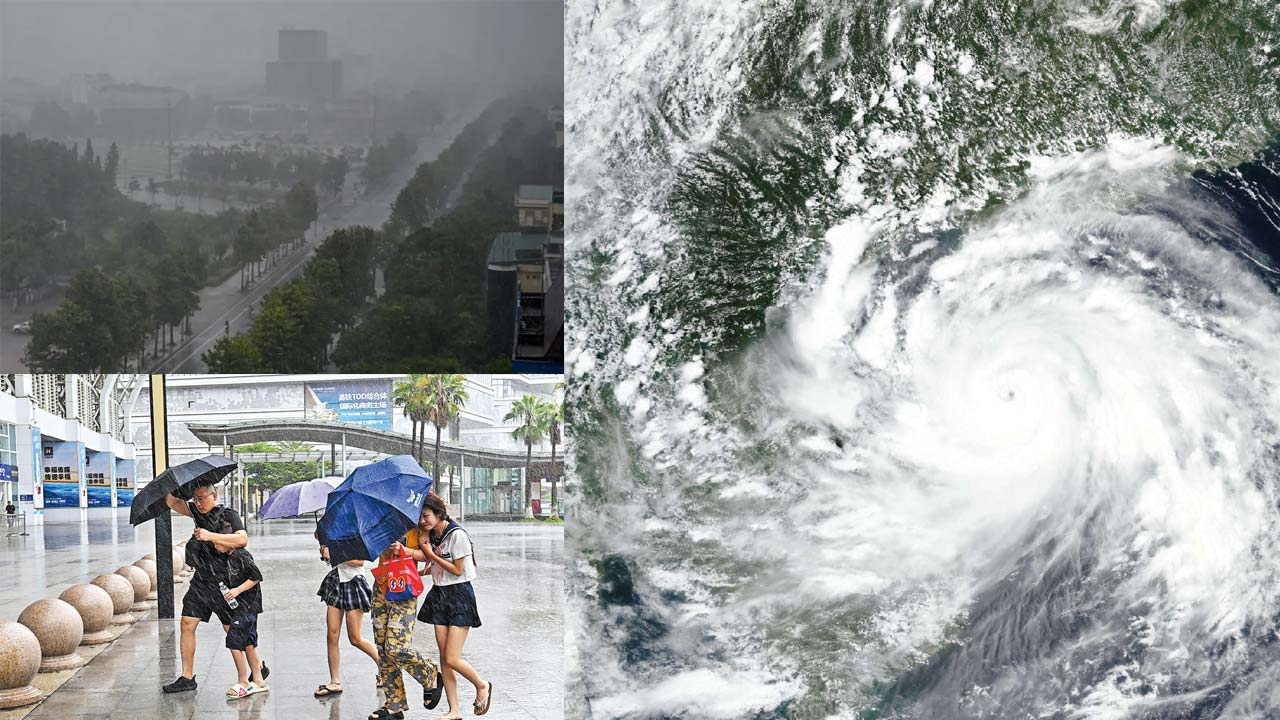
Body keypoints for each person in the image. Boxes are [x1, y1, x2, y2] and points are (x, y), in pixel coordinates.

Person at [161, 483, 269, 693]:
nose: (198, 503)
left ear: (214, 495)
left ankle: (257, 669)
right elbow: (172, 502)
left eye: (202, 497)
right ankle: (187, 677)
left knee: (233, 630)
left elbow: (242, 539)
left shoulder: (229, 515)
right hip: (202, 580)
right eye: (196, 498)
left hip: (225, 581)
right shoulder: (195, 511)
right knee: (187, 624)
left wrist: (210, 535)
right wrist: (176, 486)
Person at [417, 493, 491, 719]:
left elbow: (457, 569)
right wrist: (420, 572)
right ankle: (454, 710)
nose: (423, 521)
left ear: (439, 513)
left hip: (459, 595)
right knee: (443, 657)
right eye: (420, 517)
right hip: (440, 595)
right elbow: (438, 566)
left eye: (426, 516)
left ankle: (482, 685)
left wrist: (430, 555)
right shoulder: (433, 535)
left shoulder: (456, 535)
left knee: (452, 657)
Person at [368, 519, 443, 720]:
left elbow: (427, 555)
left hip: (404, 587)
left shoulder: (416, 524)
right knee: (383, 649)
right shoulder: (379, 521)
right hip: (382, 585)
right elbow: (370, 551)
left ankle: (429, 673)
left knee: (396, 646)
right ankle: (394, 704)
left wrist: (405, 550)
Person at [315, 531, 380, 697]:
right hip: (337, 581)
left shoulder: (356, 532)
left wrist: (334, 553)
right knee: (332, 635)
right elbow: (331, 560)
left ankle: (385, 668)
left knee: (355, 639)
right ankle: (335, 681)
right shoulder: (332, 531)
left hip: (354, 583)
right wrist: (324, 549)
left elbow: (359, 562)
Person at [210, 524, 269, 698]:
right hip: (244, 607)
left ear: (229, 542)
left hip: (246, 606)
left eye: (218, 542)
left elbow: (256, 576)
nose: (215, 546)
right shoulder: (229, 555)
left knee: (235, 643)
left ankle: (243, 681)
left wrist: (237, 591)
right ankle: (258, 680)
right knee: (249, 643)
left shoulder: (241, 555)